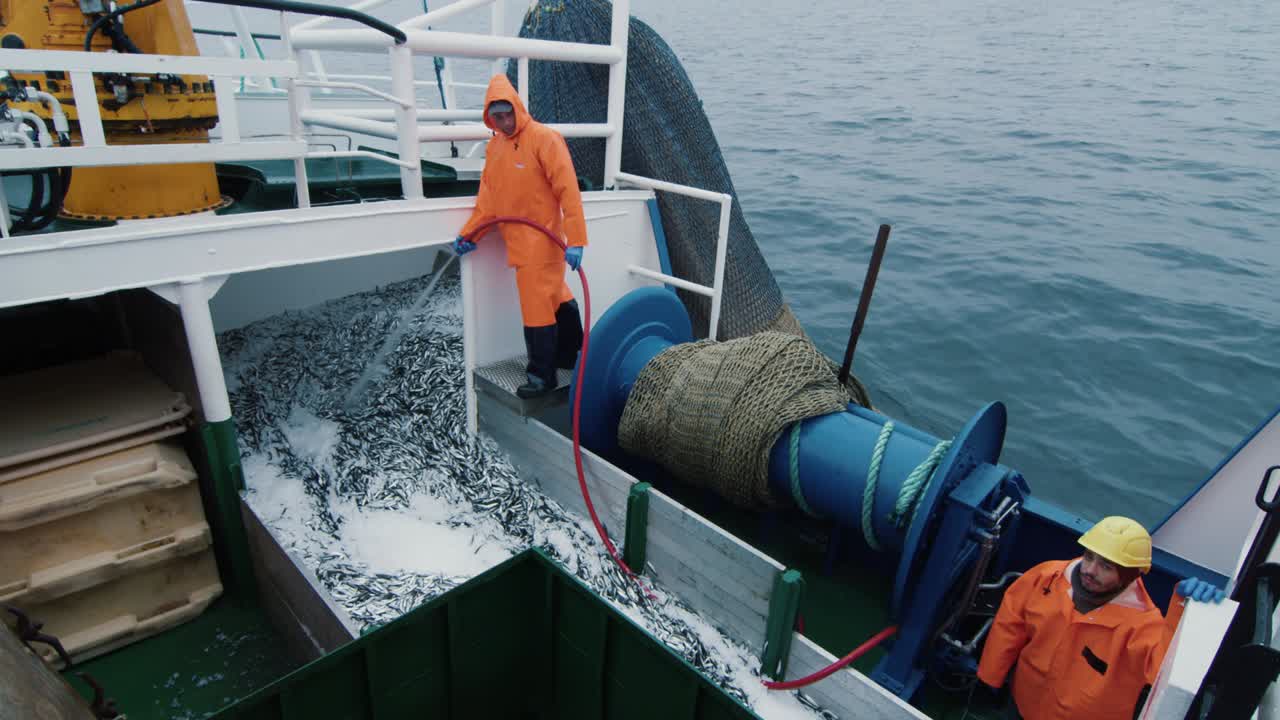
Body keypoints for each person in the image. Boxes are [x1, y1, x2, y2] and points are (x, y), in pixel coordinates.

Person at [976, 516, 1224, 720]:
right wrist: (990, 678)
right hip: (1023, 704)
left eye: (1106, 566)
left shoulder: (1143, 626)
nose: (1090, 570)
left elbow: (1161, 672)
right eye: (1089, 557)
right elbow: (1009, 626)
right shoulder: (1046, 577)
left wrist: (1186, 610)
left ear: (1130, 575)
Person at [452, 74, 587, 399]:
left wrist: (577, 240)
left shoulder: (545, 139)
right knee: (556, 296)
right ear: (490, 117)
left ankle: (542, 377)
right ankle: (573, 355)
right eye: (496, 116)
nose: (503, 120)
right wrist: (470, 234)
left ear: (517, 108)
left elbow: (568, 191)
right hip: (518, 243)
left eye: (506, 113)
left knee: (536, 307)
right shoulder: (495, 147)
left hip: (543, 243)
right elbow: (490, 200)